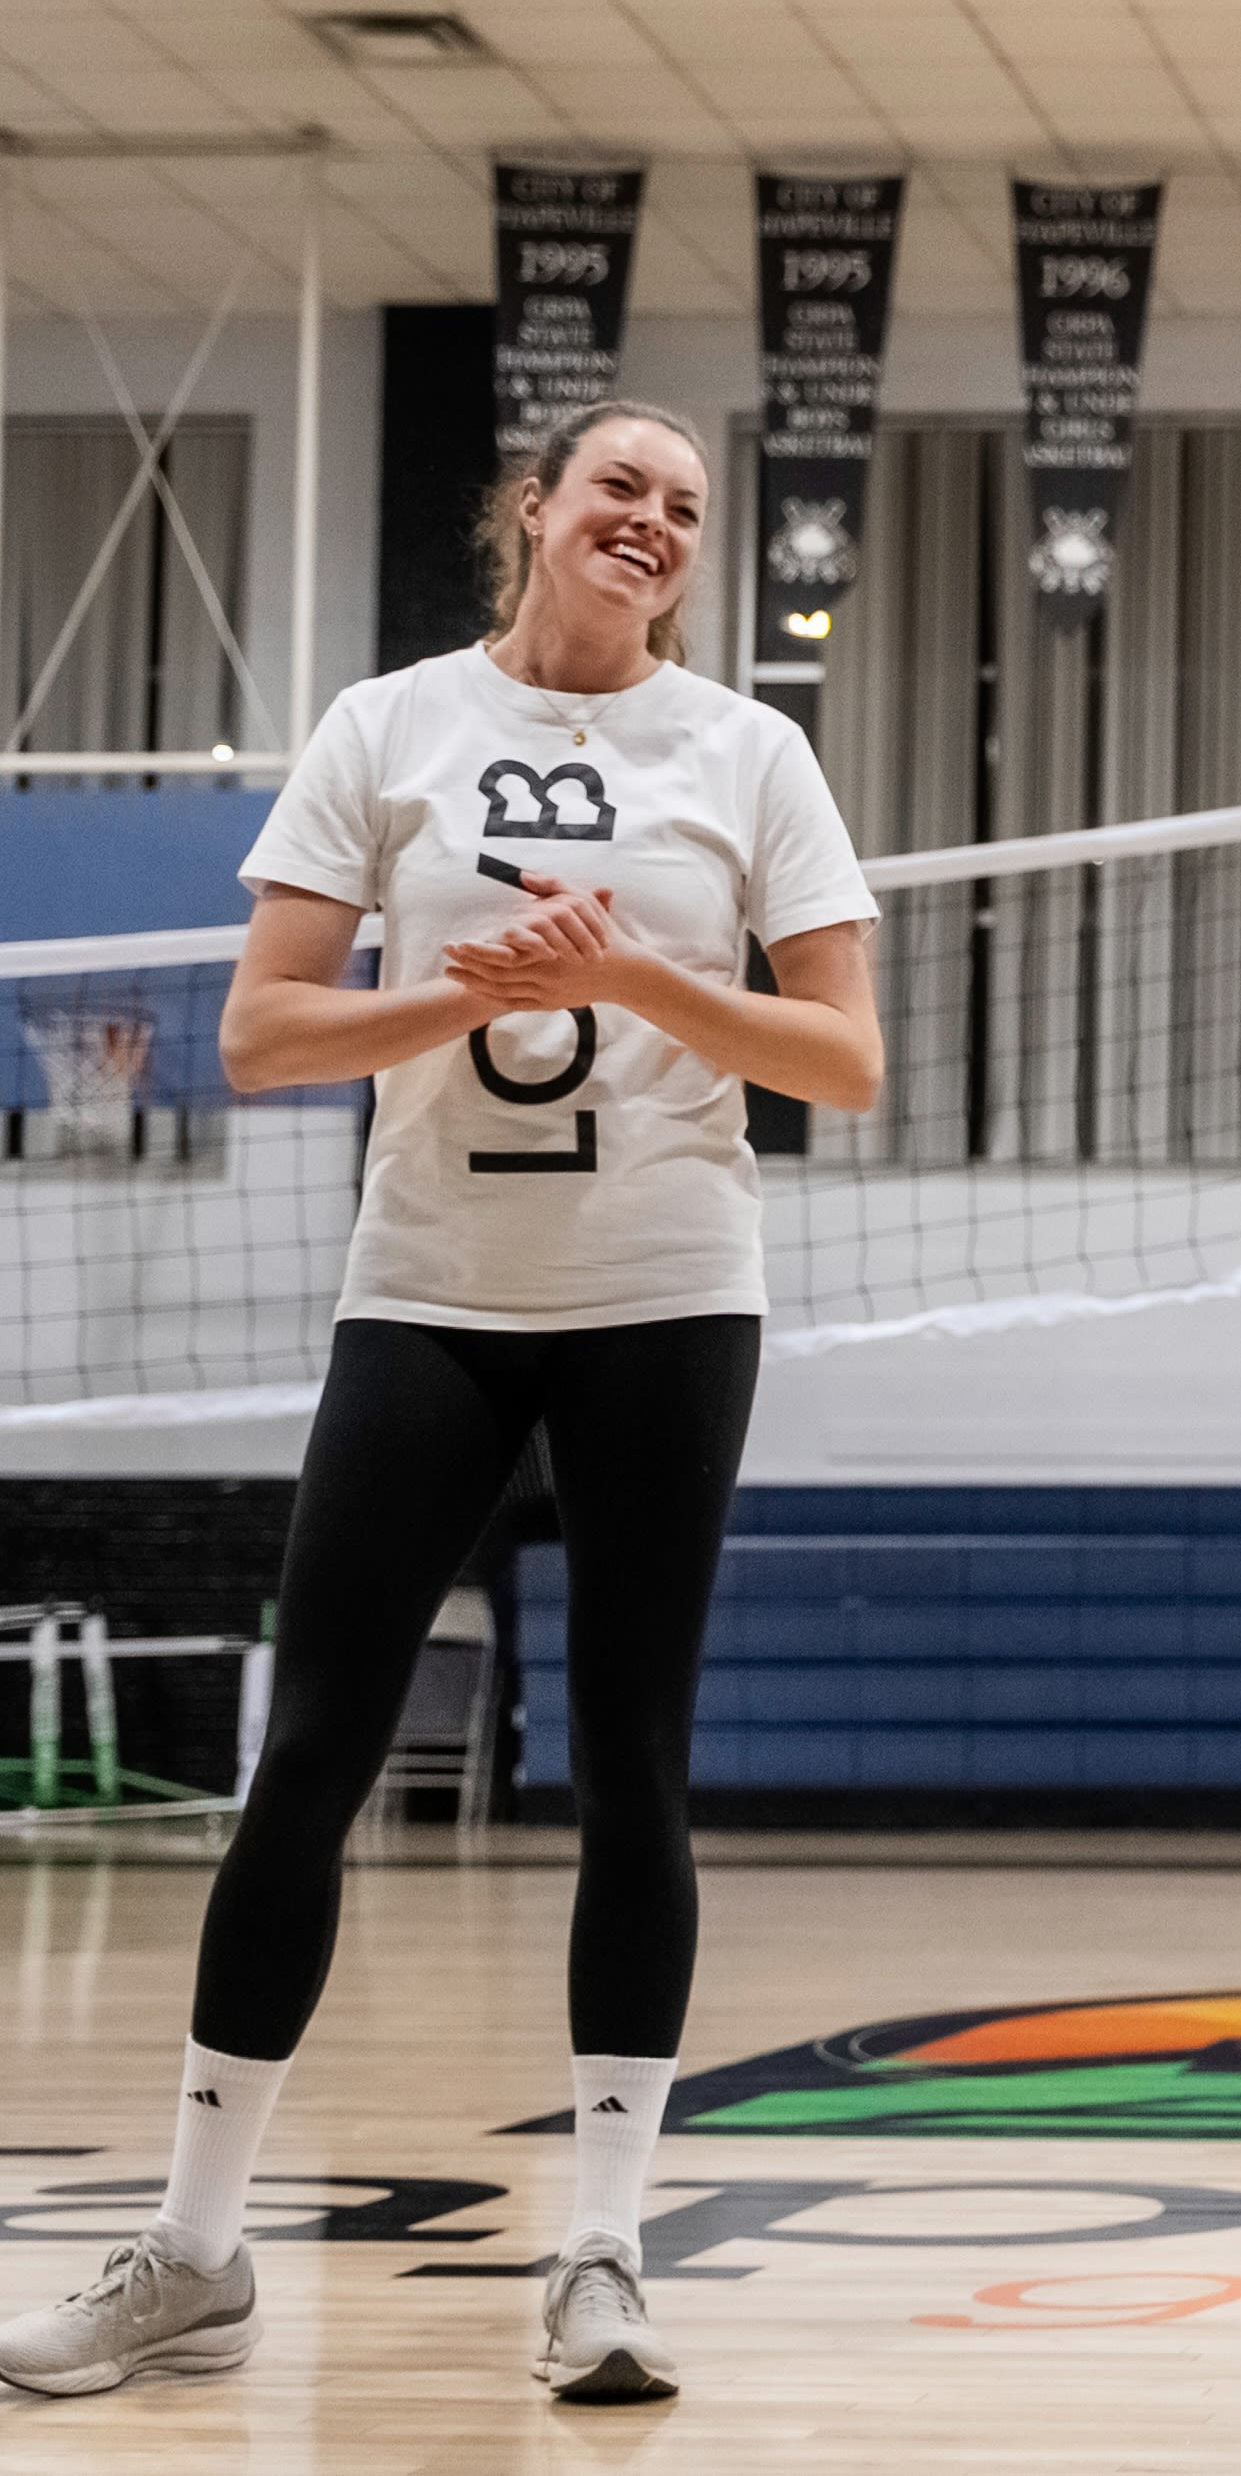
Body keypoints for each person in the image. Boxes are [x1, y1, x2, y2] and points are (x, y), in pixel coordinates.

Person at [0, 402, 883, 2407]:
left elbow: (841, 1061)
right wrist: (469, 986)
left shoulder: (750, 751)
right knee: (310, 1750)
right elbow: (264, 1023)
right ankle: (195, 2245)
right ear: (535, 513)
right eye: (617, 490)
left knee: (636, 1760)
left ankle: (599, 2250)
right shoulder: (387, 723)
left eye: (682, 505)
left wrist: (650, 986)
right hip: (429, 1294)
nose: (650, 521)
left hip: (666, 1291)